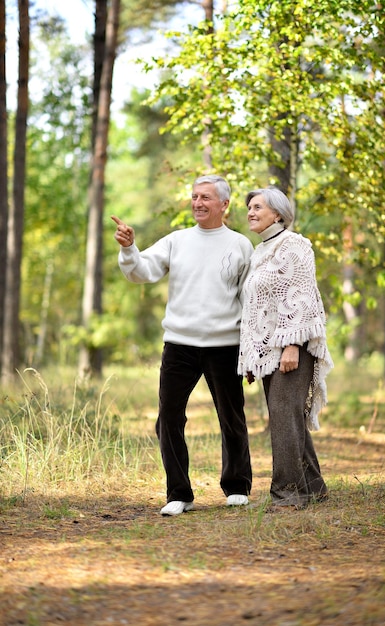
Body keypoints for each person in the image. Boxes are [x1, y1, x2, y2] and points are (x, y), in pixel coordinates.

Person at [112, 175, 253, 516]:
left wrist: (252, 349)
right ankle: (179, 492)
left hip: (225, 345)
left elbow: (250, 301)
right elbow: (141, 271)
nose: (197, 203)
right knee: (168, 418)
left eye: (205, 197)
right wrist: (129, 248)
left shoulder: (240, 245)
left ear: (224, 205)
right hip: (179, 344)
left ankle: (236, 486)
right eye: (194, 197)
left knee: (231, 417)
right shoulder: (177, 240)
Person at [238, 186, 334, 509]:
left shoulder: (294, 245)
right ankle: (313, 487)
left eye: (257, 207)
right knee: (287, 417)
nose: (250, 212)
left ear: (278, 214)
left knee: (283, 414)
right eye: (249, 207)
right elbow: (256, 308)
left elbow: (302, 294)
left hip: (295, 346)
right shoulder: (260, 252)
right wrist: (254, 356)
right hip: (269, 350)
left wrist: (292, 344)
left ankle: (287, 494)